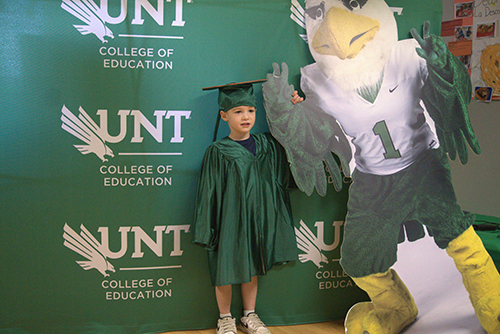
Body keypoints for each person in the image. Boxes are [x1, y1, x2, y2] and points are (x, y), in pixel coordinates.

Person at [192, 81, 298, 334]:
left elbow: (295, 139)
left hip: (258, 219)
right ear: (224, 115)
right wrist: (208, 228)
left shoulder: (267, 146)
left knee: (253, 264)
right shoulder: (217, 151)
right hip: (228, 219)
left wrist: (296, 110)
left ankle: (249, 315)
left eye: (250, 110)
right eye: (238, 111)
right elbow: (208, 193)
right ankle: (225, 318)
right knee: (225, 265)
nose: (246, 116)